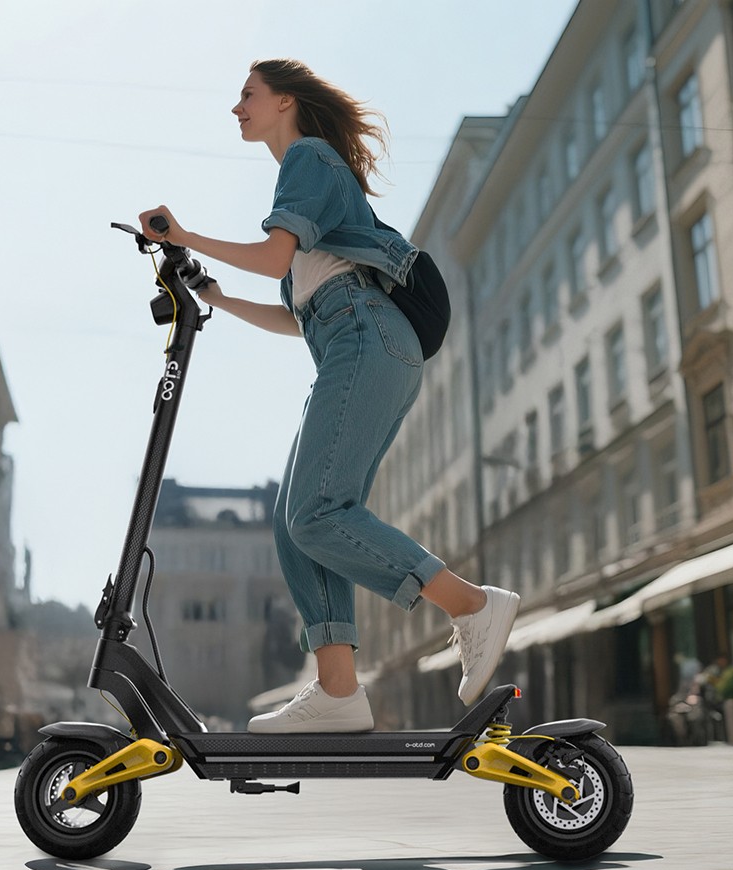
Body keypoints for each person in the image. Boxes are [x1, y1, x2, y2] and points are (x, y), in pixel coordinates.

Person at [139, 59, 520, 734]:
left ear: (285, 101)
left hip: (366, 338)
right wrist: (216, 297)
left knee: (316, 511)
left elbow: (274, 258)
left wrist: (185, 233)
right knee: (297, 524)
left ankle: (470, 604)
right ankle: (339, 690)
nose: (237, 107)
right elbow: (296, 312)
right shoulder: (312, 188)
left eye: (247, 95)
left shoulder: (309, 158)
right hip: (352, 340)